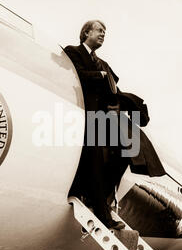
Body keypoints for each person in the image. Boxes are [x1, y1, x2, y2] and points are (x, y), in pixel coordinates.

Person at [64, 20, 165, 230]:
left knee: (127, 153)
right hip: (87, 118)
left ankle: (101, 200)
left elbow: (115, 90)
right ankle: (102, 212)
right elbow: (76, 75)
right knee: (94, 164)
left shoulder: (104, 63)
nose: (103, 34)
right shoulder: (73, 52)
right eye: (99, 30)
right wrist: (99, 75)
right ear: (86, 33)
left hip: (107, 120)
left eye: (105, 32)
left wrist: (123, 105)